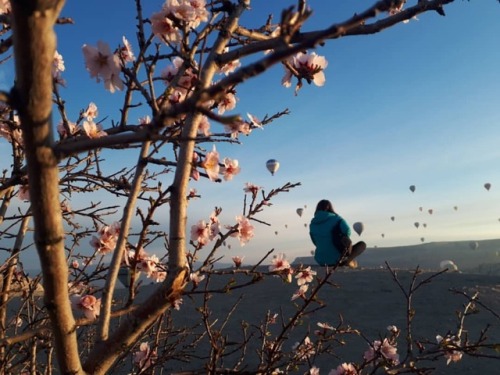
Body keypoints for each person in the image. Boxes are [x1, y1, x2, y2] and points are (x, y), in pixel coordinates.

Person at [309, 199, 366, 267]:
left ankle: (342, 259)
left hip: (321, 260)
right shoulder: (337, 219)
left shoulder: (312, 224)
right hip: (338, 259)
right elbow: (347, 232)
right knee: (362, 244)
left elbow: (315, 242)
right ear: (330, 208)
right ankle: (347, 261)